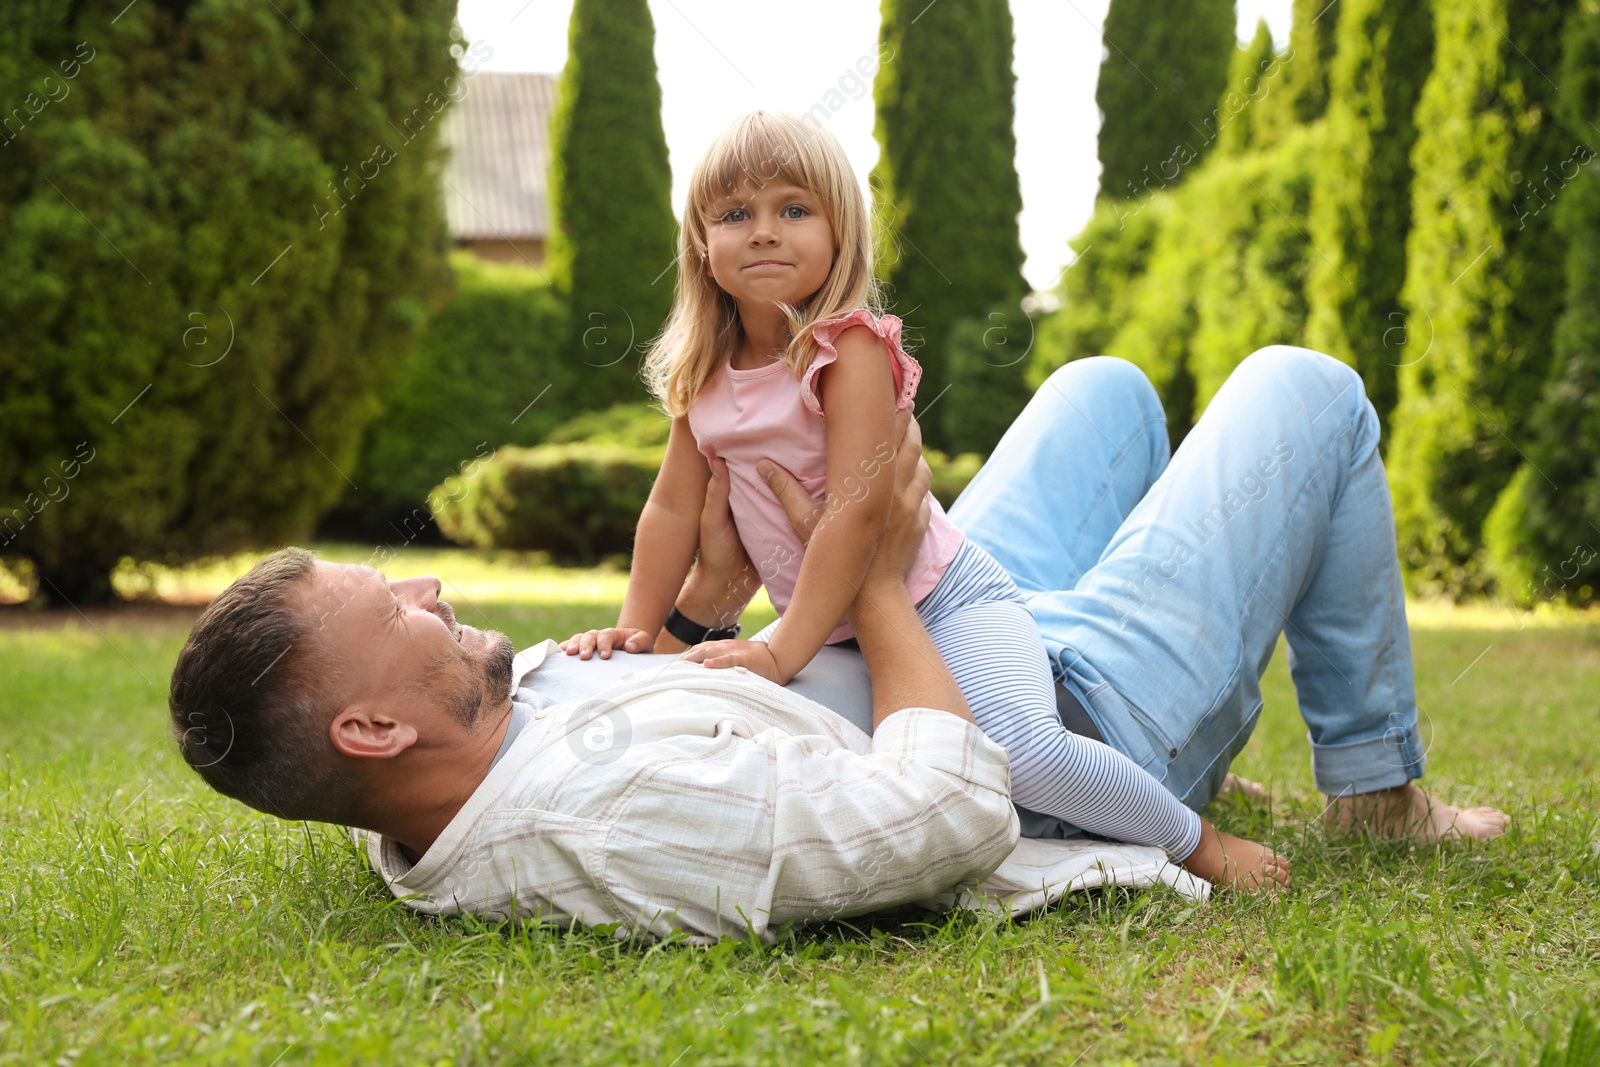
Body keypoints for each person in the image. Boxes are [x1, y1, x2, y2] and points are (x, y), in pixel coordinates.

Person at [558, 110, 1282, 888]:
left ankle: (1194, 839)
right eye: (736, 214)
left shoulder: (847, 349)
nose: (764, 231)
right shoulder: (703, 375)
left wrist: (780, 648)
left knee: (1026, 753)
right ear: (701, 243)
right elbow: (670, 512)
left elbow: (857, 512)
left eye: (794, 209)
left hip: (945, 599)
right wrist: (636, 632)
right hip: (834, 629)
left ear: (841, 233)